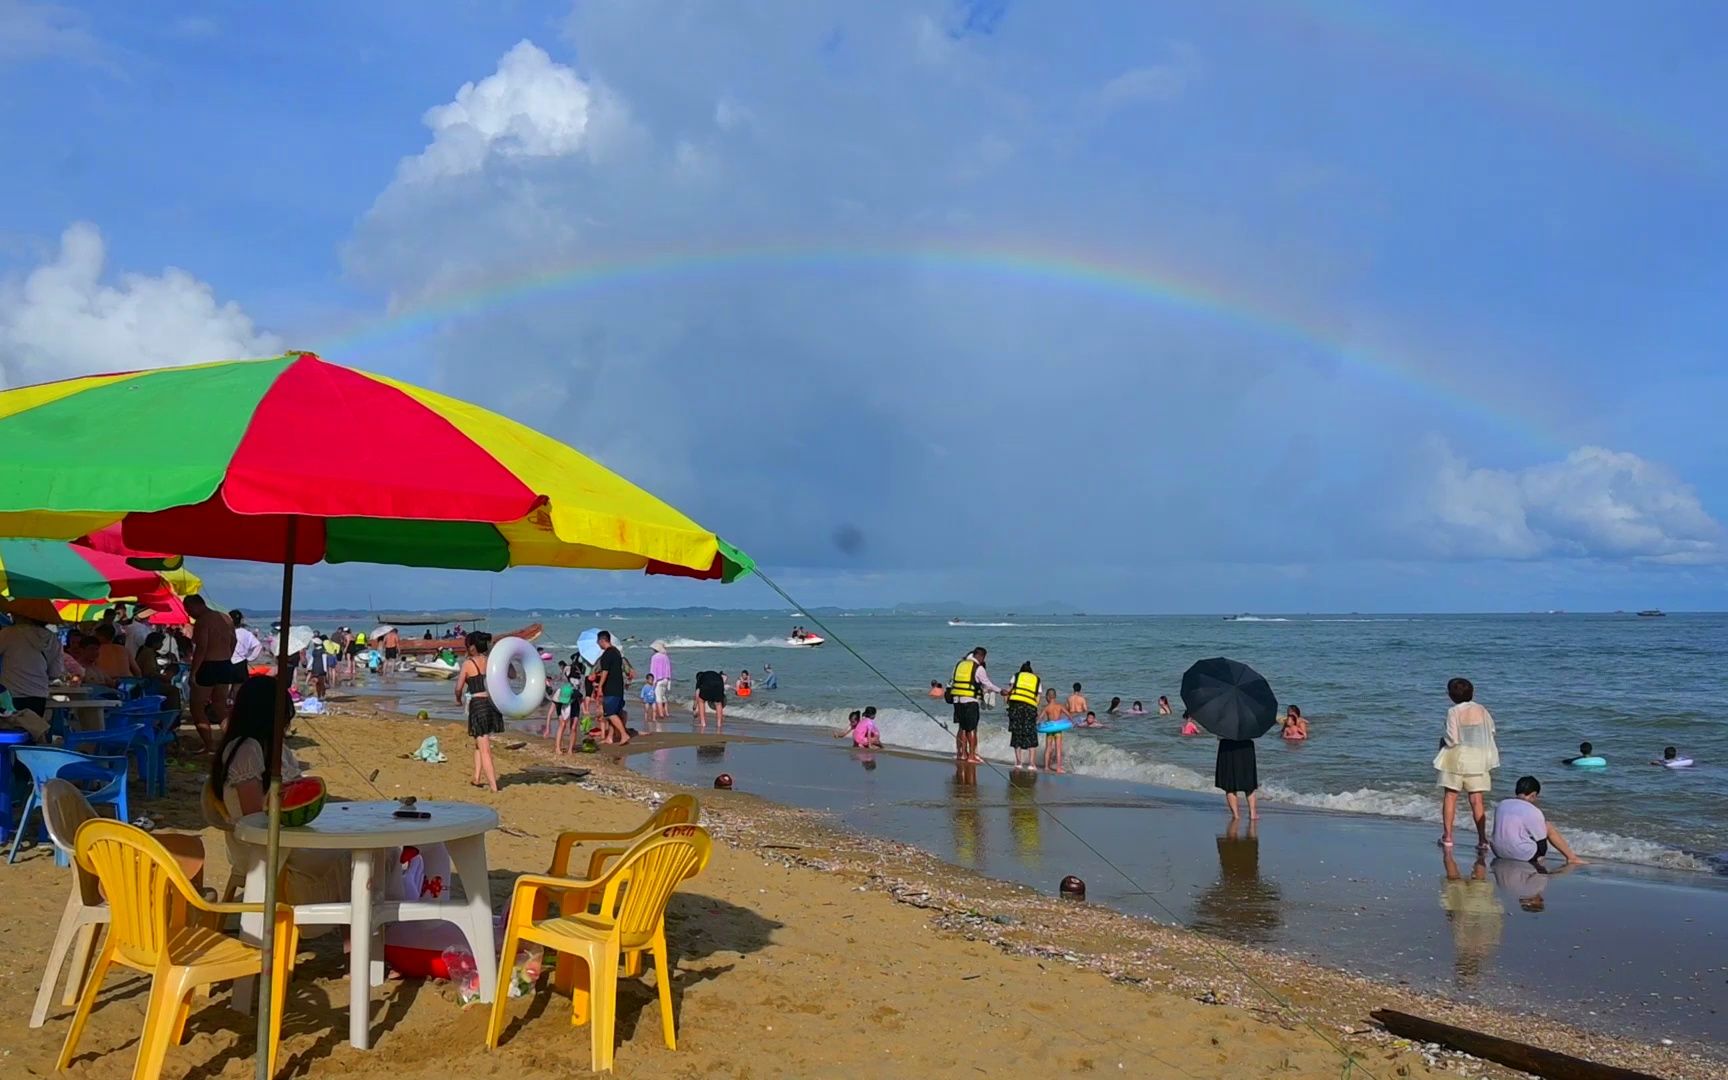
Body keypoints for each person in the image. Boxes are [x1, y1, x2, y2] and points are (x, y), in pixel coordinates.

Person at [211, 675, 349, 905]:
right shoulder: (247, 750)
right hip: (263, 849)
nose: (287, 724)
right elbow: (254, 817)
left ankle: (356, 928)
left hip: (282, 839)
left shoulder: (272, 748)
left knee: (369, 852)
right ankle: (358, 930)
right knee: (361, 857)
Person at [1435, 677, 1499, 850]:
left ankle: (1448, 836)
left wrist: (1442, 742)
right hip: (1478, 759)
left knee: (1450, 797)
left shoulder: (1453, 711)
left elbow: (1453, 738)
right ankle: (1482, 839)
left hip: (1456, 758)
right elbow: (1491, 730)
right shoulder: (1482, 710)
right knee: (1477, 800)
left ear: (1450, 695)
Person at [185, 595, 241, 754]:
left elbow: (202, 648)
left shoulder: (203, 621)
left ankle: (209, 745)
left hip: (208, 665)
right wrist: (226, 656)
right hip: (225, 664)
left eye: (189, 610)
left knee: (197, 707)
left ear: (196, 606)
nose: (190, 614)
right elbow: (234, 641)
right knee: (219, 706)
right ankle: (234, 742)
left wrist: (193, 673)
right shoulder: (226, 618)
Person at [1489, 775, 1586, 866]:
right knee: (1547, 826)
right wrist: (1540, 856)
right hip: (1521, 855)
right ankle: (1571, 857)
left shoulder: (1502, 804)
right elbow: (1542, 845)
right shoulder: (1533, 810)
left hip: (1498, 851)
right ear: (1533, 795)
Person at [456, 632, 502, 791]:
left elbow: (459, 687)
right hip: (491, 704)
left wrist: (458, 699)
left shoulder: (468, 664)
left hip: (478, 705)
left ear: (472, 647)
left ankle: (494, 786)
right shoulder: (490, 661)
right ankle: (476, 777)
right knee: (479, 742)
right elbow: (508, 676)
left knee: (485, 749)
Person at [0, 613, 64, 718]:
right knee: (33, 728)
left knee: (10, 730)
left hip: (11, 694)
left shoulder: (9, 633)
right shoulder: (53, 639)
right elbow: (55, 673)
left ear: (22, 615)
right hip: (38, 695)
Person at [948, 646, 1003, 765]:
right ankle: (972, 756)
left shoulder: (959, 665)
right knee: (971, 728)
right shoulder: (978, 668)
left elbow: (952, 681)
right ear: (981, 656)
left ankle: (961, 754)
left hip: (957, 700)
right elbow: (987, 684)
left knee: (962, 728)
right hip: (970, 701)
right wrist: (1000, 691)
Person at [592, 630, 630, 746]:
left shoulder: (607, 654)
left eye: (598, 642)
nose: (598, 645)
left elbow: (605, 672)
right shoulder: (617, 652)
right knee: (615, 713)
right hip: (619, 687)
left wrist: (600, 687)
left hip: (611, 688)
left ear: (602, 640)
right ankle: (610, 737)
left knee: (609, 714)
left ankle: (624, 734)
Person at [1005, 661, 1041, 770]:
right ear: (1031, 671)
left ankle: (1018, 762)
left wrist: (1007, 703)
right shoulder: (1037, 679)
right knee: (1031, 734)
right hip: (1030, 708)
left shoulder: (1016, 676)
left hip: (1016, 707)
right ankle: (1031, 764)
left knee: (1016, 733)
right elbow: (1038, 698)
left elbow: (1008, 691)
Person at [1216, 734, 1259, 820]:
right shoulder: (1248, 720)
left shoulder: (1223, 721)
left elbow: (1218, 734)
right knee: (1249, 783)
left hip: (1227, 746)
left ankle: (1236, 815)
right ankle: (1253, 814)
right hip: (1246, 744)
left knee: (1230, 785)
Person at [649, 640, 673, 720]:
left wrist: (652, 681)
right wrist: (669, 679)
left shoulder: (655, 657)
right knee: (663, 696)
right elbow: (669, 669)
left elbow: (653, 670)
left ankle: (661, 714)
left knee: (658, 697)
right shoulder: (665, 656)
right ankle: (666, 712)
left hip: (658, 680)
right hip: (666, 679)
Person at [545, 660, 569, 737]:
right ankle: (563, 727)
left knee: (552, 713)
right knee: (563, 715)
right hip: (561, 694)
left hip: (558, 695)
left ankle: (548, 730)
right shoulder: (566, 671)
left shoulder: (564, 671)